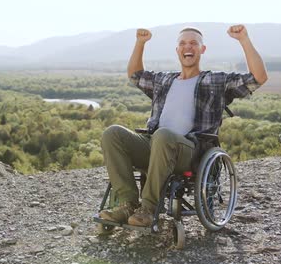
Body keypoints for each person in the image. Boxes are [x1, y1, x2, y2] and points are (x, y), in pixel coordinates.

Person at [99, 24, 268, 227]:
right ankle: (127, 204)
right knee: (113, 133)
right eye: (183, 43)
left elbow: (258, 78)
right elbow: (135, 75)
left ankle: (149, 208)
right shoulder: (164, 80)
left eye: (193, 43)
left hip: (190, 151)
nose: (188, 47)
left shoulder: (215, 81)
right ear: (177, 50)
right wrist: (140, 43)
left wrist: (244, 40)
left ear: (202, 49)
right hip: (155, 144)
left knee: (163, 136)